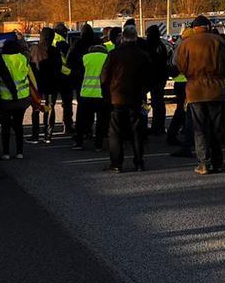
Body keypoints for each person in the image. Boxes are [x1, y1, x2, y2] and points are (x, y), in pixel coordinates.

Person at [174, 15, 225, 175]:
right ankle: (218, 162)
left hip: (195, 90)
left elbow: (179, 65)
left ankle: (204, 163)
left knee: (199, 128)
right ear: (208, 26)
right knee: (216, 128)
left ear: (194, 28)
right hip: (216, 89)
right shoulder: (218, 41)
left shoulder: (186, 44)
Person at [101, 24, 152, 172]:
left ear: (123, 37)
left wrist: (107, 95)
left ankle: (116, 163)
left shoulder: (114, 54)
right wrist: (143, 92)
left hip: (117, 97)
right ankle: (139, 162)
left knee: (115, 130)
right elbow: (149, 78)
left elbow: (104, 77)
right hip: (136, 97)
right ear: (136, 37)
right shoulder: (143, 55)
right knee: (137, 130)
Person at [0, 36, 35, 160]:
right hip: (22, 98)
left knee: (5, 126)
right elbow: (29, 75)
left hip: (5, 99)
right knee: (18, 125)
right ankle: (19, 152)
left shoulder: (1, 59)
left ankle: (6, 152)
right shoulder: (23, 59)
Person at [72, 32, 110, 151]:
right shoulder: (107, 57)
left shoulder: (85, 57)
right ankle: (98, 144)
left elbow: (78, 73)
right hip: (102, 94)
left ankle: (79, 142)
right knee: (101, 121)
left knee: (82, 120)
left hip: (86, 93)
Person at [29, 26, 62, 144]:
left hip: (38, 85)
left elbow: (31, 66)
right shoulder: (56, 51)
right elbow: (60, 68)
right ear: (52, 37)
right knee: (50, 107)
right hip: (52, 84)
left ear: (42, 36)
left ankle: (35, 135)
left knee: (37, 108)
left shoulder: (35, 49)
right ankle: (48, 135)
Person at [142, 25, 170, 135]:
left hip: (151, 78)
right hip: (159, 78)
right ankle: (158, 126)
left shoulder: (149, 46)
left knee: (148, 103)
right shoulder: (161, 46)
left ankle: (150, 125)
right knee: (158, 103)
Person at [165, 27, 190, 150]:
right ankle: (173, 134)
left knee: (183, 110)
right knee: (182, 110)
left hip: (180, 82)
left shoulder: (179, 46)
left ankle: (178, 133)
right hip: (184, 82)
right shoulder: (184, 48)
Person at [52, 22, 75, 136]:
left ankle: (49, 128)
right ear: (63, 32)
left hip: (53, 76)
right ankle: (67, 126)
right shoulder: (62, 42)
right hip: (65, 76)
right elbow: (69, 59)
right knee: (67, 103)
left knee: (51, 104)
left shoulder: (51, 40)